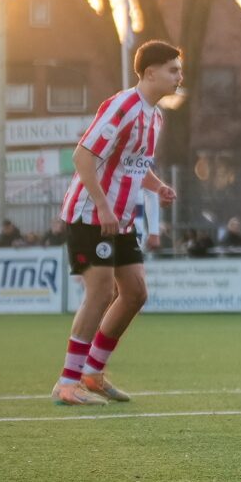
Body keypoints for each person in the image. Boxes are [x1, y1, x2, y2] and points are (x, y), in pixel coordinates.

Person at [52, 42, 183, 406]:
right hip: (90, 215)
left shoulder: (155, 116)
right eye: (173, 69)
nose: (179, 76)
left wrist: (158, 186)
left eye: (179, 70)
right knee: (100, 292)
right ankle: (67, 383)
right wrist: (103, 205)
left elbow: (133, 165)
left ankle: (92, 373)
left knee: (136, 293)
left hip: (119, 220)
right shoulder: (122, 106)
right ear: (150, 72)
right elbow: (82, 156)